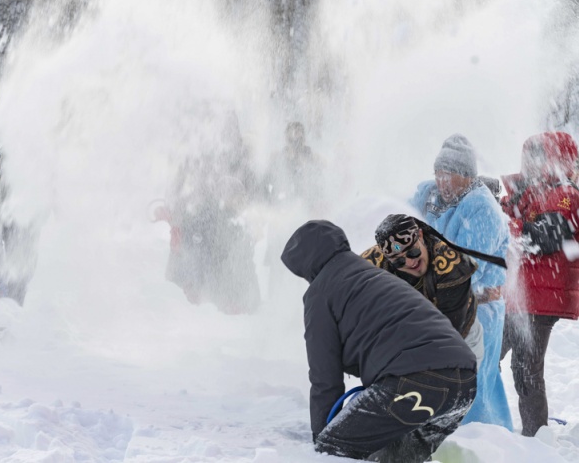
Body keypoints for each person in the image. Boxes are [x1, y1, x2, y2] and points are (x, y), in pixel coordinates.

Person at [282, 220, 476, 462]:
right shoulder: (375, 275)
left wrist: (323, 439)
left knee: (334, 449)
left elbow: (325, 379)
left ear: (303, 265)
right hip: (464, 384)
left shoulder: (320, 293)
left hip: (415, 382)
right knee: (395, 456)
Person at [409, 133, 513, 430]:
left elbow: (464, 271)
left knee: (473, 384)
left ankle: (483, 443)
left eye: (449, 175)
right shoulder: (428, 196)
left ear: (467, 177)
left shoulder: (482, 212)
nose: (441, 181)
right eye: (438, 173)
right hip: (436, 307)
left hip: (477, 312)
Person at [500, 131, 579, 436]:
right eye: (528, 156)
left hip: (543, 298)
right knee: (486, 355)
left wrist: (506, 221)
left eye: (539, 156)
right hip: (518, 296)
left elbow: (541, 238)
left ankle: (535, 437)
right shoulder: (526, 194)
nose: (531, 163)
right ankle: (486, 422)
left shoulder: (567, 195)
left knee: (526, 371)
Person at [164, 112, 260, 314]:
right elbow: (177, 189)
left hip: (228, 223)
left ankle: (235, 304)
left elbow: (253, 191)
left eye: (230, 127)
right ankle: (195, 301)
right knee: (197, 264)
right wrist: (176, 215)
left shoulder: (242, 158)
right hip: (199, 221)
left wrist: (244, 205)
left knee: (230, 259)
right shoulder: (197, 155)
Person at [362, 214, 485, 363]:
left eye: (412, 252)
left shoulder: (450, 265)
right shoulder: (373, 264)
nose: (409, 262)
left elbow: (448, 336)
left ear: (420, 235)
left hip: (462, 339)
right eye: (399, 261)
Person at [263, 121, 319, 291]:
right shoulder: (278, 157)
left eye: (299, 132)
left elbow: (319, 184)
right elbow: (266, 184)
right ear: (286, 136)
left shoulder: (310, 157)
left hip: (303, 214)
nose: (296, 136)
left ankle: (300, 296)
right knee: (278, 257)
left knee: (304, 257)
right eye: (292, 132)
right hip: (281, 212)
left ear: (303, 136)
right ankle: (275, 294)